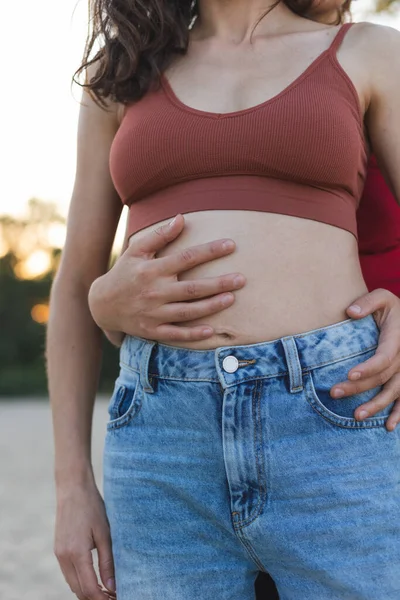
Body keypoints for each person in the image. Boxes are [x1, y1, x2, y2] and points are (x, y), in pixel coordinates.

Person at [46, 0, 400, 598]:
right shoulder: (123, 72)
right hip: (161, 437)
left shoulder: (371, 51)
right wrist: (72, 487)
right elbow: (75, 280)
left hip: (336, 413)